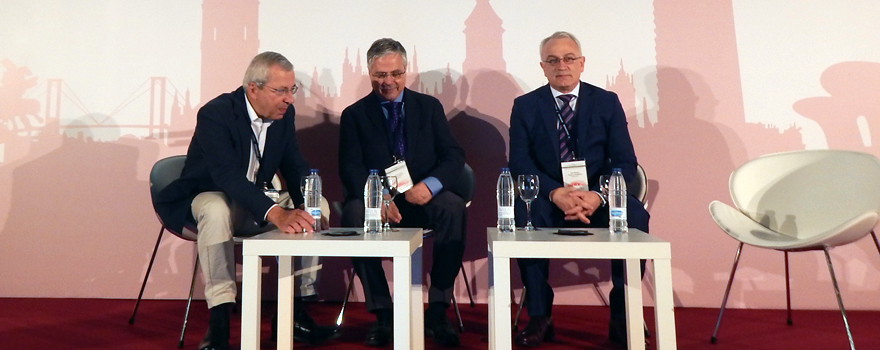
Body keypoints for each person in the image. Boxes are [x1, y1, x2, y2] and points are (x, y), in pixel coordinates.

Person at [155, 52, 337, 350]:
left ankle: (294, 312)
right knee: (215, 209)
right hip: (210, 196)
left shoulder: (283, 115)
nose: (289, 99)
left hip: (255, 200)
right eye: (280, 91)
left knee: (319, 205)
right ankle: (219, 323)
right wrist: (276, 213)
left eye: (292, 90)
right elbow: (226, 176)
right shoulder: (216, 113)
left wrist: (306, 203)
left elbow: (294, 165)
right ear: (253, 88)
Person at [507, 31, 650, 349]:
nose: (562, 65)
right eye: (553, 60)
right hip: (549, 198)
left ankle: (621, 315)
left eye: (569, 58)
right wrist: (556, 193)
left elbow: (625, 164)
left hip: (597, 198)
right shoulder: (526, 106)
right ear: (542, 67)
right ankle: (540, 315)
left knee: (636, 214)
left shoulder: (606, 102)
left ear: (582, 63)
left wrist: (597, 196)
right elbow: (520, 163)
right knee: (523, 212)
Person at [338, 38, 467, 348]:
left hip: (423, 198)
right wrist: (376, 198)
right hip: (380, 201)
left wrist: (430, 186)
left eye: (396, 73)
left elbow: (453, 156)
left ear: (406, 71)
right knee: (354, 212)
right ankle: (383, 313)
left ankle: (437, 309)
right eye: (381, 75)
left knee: (453, 206)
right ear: (369, 73)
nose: (388, 82)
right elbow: (350, 167)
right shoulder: (354, 114)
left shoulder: (428, 107)